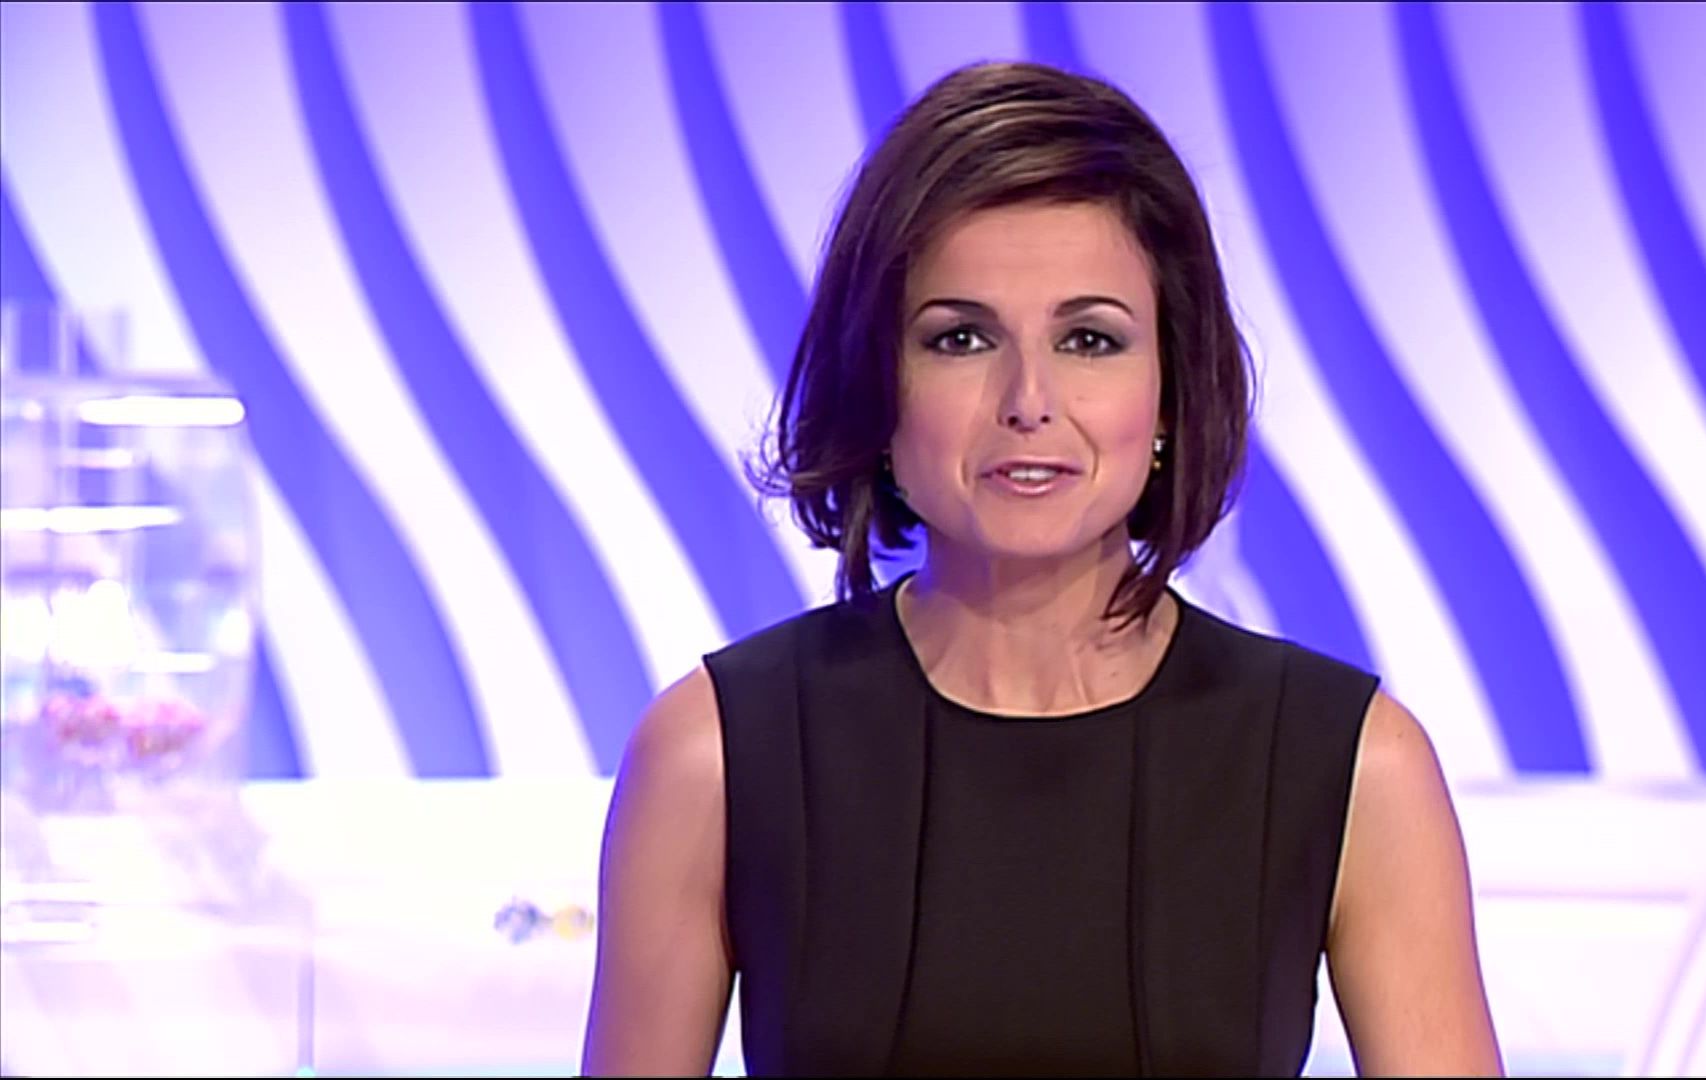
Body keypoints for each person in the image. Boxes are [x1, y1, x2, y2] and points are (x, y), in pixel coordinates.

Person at [581, 60, 1502, 1078]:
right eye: (962, 338)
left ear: (1170, 391)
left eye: (1090, 339)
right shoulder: (711, 755)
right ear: (878, 382)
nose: (1029, 400)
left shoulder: (1356, 766)